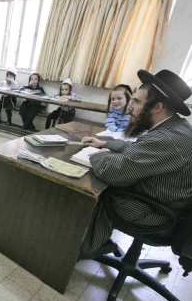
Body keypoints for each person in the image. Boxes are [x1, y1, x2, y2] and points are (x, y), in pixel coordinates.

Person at [79, 69, 192, 259]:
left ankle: (86, 247)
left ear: (157, 107)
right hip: (169, 206)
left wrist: (98, 154)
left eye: (137, 102)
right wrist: (106, 143)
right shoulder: (176, 128)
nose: (130, 108)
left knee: (104, 191)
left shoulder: (167, 139)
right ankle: (96, 238)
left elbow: (112, 171)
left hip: (161, 215)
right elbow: (139, 150)